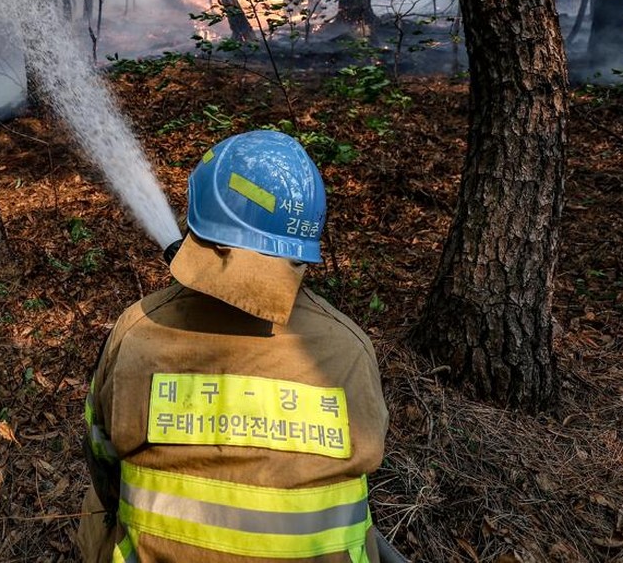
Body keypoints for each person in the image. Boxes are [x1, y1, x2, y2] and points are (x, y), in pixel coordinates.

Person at [77, 129, 389, 562]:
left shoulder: (137, 333)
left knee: (97, 511)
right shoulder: (349, 349)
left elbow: (100, 453)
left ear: (203, 225)